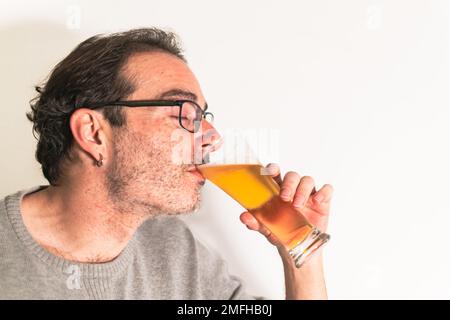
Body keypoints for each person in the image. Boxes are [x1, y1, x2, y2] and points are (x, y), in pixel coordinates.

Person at [0, 28, 333, 299]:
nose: (213, 137)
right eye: (184, 113)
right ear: (93, 133)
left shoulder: (175, 251)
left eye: (203, 116)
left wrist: (301, 252)